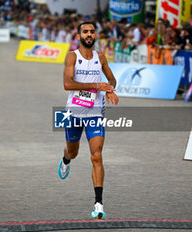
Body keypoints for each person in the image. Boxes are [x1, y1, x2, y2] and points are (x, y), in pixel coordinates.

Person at [58, 21, 119, 220]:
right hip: (74, 113)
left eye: (92, 31)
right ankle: (66, 158)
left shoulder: (100, 57)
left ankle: (98, 203)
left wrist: (109, 89)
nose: (89, 34)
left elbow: (112, 80)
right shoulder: (71, 57)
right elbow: (68, 84)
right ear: (79, 36)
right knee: (73, 152)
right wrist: (96, 85)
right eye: (85, 32)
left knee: (97, 156)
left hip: (95, 114)